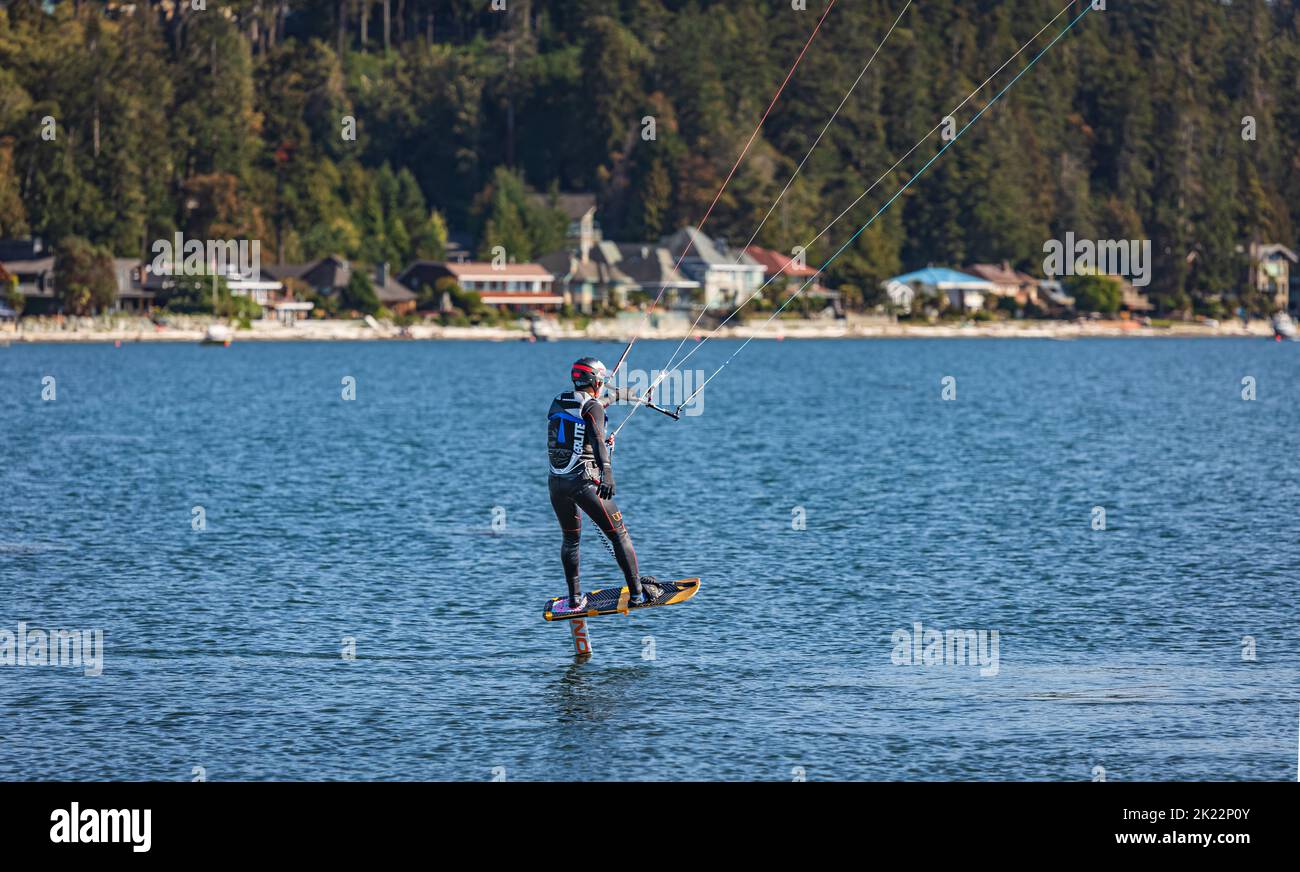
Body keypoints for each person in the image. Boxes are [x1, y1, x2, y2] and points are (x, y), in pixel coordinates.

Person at [547, 357, 662, 612]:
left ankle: (575, 600)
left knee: (571, 540)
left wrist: (620, 397)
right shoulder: (593, 407)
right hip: (584, 482)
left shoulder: (559, 401)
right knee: (619, 534)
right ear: (597, 381)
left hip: (557, 485)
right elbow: (597, 440)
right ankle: (637, 595)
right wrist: (607, 472)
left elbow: (581, 428)